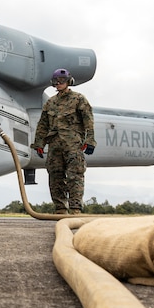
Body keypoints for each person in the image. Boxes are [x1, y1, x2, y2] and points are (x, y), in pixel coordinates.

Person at [31, 67, 96, 215]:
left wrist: (90, 140)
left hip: (73, 144)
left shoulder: (78, 99)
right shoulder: (50, 103)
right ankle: (60, 208)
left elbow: (88, 121)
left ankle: (75, 208)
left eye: (61, 81)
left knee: (75, 176)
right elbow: (43, 125)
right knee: (55, 176)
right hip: (55, 145)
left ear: (68, 81)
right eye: (56, 81)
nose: (58, 83)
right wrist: (39, 144)